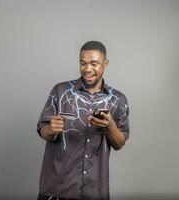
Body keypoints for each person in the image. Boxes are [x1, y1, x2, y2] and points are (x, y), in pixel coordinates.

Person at [37, 41, 130, 200]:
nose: (87, 69)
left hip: (95, 190)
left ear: (105, 64)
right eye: (83, 63)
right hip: (57, 189)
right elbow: (43, 130)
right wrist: (50, 130)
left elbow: (119, 143)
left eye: (94, 63)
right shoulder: (60, 92)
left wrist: (110, 127)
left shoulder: (118, 99)